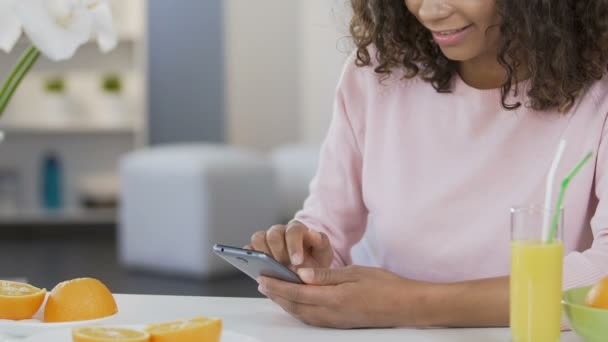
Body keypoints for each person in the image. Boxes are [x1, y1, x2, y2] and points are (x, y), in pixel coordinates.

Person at [246, 0, 608, 329]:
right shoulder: (379, 70)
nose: (430, 11)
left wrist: (408, 303)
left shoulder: (599, 88)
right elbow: (327, 226)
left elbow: (603, 278)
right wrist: (306, 254)